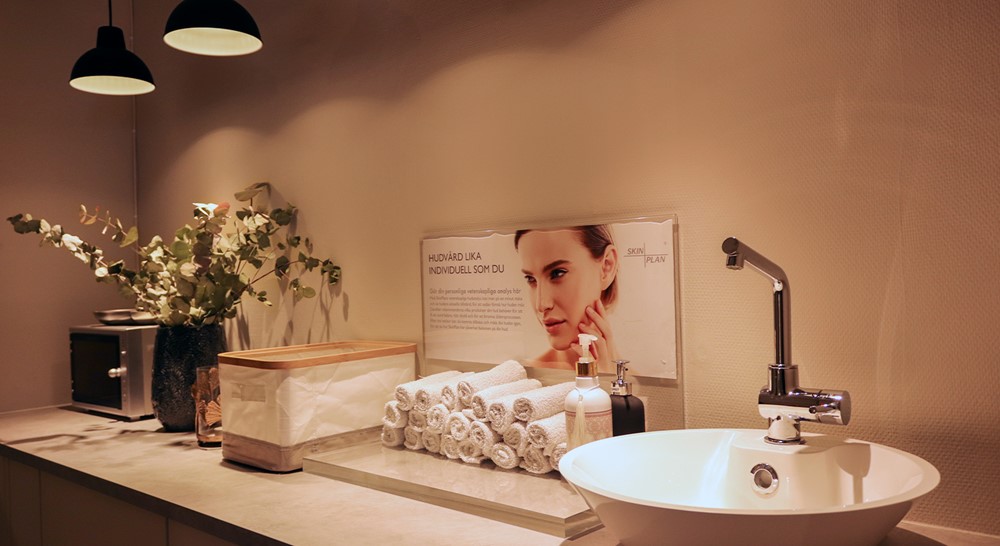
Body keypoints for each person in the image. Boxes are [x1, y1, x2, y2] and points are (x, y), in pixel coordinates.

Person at [515, 225, 620, 373]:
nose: (541, 305)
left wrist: (606, 380)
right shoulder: (525, 377)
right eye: (530, 279)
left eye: (557, 273)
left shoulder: (643, 383)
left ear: (606, 267)